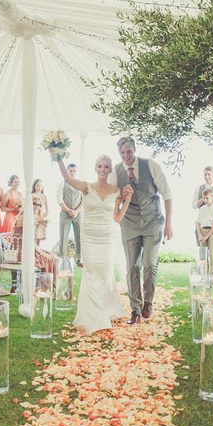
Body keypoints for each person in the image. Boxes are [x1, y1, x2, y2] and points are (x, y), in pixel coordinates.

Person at [54, 154, 131, 333]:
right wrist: (58, 157)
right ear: (95, 169)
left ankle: (106, 309)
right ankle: (92, 316)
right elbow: (67, 178)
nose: (102, 169)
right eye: (99, 166)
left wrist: (126, 200)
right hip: (89, 237)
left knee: (105, 273)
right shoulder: (86, 187)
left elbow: (118, 218)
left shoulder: (116, 191)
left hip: (108, 237)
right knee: (91, 272)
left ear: (110, 169)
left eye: (106, 167)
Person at [108, 137, 173, 325]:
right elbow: (113, 200)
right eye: (122, 153)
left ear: (134, 150)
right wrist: (122, 196)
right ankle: (135, 310)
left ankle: (148, 302)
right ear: (119, 153)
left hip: (153, 220)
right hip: (129, 223)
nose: (126, 156)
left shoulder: (150, 165)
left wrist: (169, 223)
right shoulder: (115, 173)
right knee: (131, 266)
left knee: (150, 263)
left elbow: (167, 194)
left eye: (129, 152)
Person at [56, 165, 83, 266]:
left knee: (79, 236)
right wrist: (69, 211)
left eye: (74, 171)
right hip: (65, 213)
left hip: (78, 213)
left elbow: (84, 200)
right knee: (63, 236)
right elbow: (59, 200)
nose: (72, 172)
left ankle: (78, 259)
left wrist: (76, 211)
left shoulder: (80, 184)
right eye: (70, 171)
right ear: (67, 171)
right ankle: (63, 258)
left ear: (76, 172)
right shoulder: (62, 183)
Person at [195, 188, 213, 274]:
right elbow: (198, 222)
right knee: (203, 254)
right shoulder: (202, 209)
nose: (205, 200)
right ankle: (203, 274)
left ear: (212, 197)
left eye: (207, 198)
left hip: (212, 232)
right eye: (204, 198)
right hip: (202, 231)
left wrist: (207, 236)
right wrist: (200, 235)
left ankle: (212, 275)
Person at [192, 166, 213, 246]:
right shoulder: (198, 188)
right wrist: (203, 198)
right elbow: (194, 205)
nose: (207, 177)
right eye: (205, 174)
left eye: (209, 174)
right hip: (202, 222)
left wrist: (210, 197)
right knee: (201, 248)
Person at [31, 179, 48, 245]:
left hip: (41, 219)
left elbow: (47, 211)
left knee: (39, 237)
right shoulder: (32, 195)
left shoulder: (44, 196)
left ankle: (37, 253)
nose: (39, 187)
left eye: (41, 185)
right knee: (33, 236)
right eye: (37, 185)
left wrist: (42, 218)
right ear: (34, 186)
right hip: (33, 218)